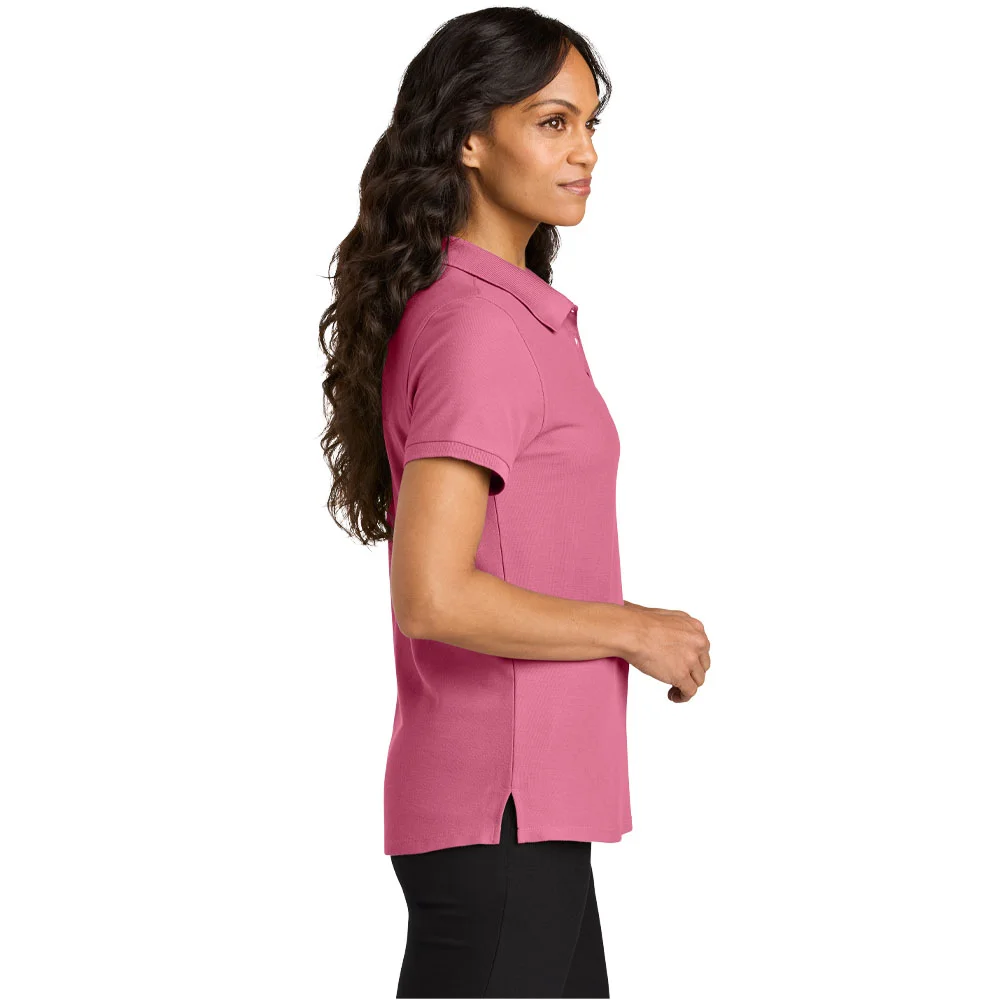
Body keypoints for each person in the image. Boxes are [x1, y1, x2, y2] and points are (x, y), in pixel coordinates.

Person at [318, 8, 711, 997]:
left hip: (526, 814)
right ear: (468, 139)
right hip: (498, 807)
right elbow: (434, 595)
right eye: (551, 122)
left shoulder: (501, 310)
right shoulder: (478, 329)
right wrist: (634, 629)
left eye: (589, 123)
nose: (585, 151)